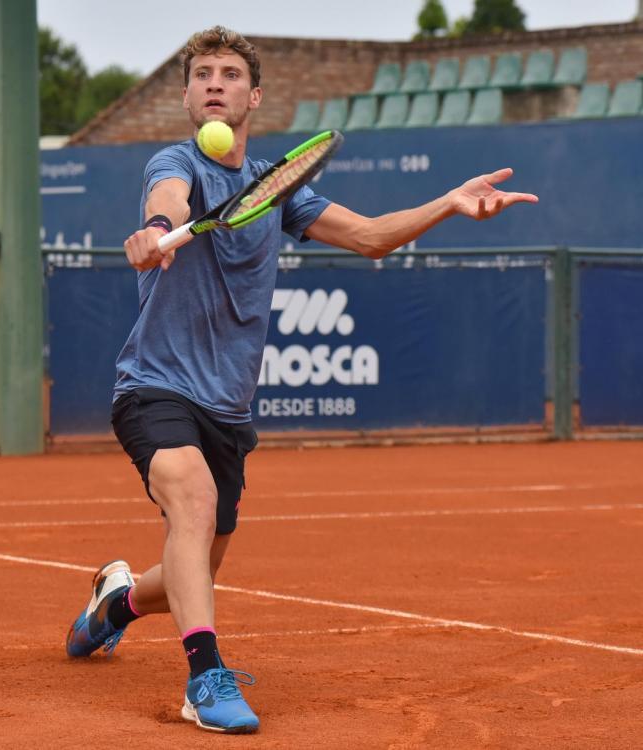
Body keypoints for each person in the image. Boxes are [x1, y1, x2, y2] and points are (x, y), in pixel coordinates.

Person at [65, 26, 538, 735]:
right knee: (191, 499)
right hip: (155, 385)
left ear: (254, 97)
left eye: (230, 74)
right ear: (188, 97)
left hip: (228, 408)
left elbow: (371, 237)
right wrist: (156, 227)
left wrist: (448, 203)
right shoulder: (175, 162)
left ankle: (116, 604)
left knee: (195, 569)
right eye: (202, 74)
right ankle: (204, 679)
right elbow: (169, 200)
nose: (215, 83)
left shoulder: (278, 189)